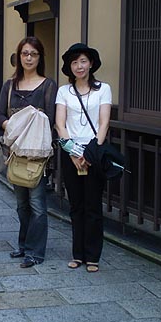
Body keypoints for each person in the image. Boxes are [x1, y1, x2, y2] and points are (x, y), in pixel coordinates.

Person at [0, 36, 57, 268]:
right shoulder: (10, 85)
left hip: (37, 156)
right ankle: (23, 245)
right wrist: (13, 126)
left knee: (38, 205)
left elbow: (50, 119)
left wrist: (27, 127)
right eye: (25, 54)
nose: (28, 58)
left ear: (40, 57)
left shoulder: (49, 86)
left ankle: (36, 251)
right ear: (18, 57)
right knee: (21, 204)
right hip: (14, 153)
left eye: (33, 54)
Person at [55, 43, 112, 273]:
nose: (79, 66)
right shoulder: (63, 91)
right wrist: (73, 152)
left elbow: (104, 123)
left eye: (83, 61)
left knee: (93, 206)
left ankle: (93, 256)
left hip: (94, 153)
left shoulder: (103, 89)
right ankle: (77, 254)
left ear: (91, 64)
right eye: (75, 62)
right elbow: (60, 123)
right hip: (71, 154)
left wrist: (90, 154)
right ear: (69, 67)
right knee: (76, 205)